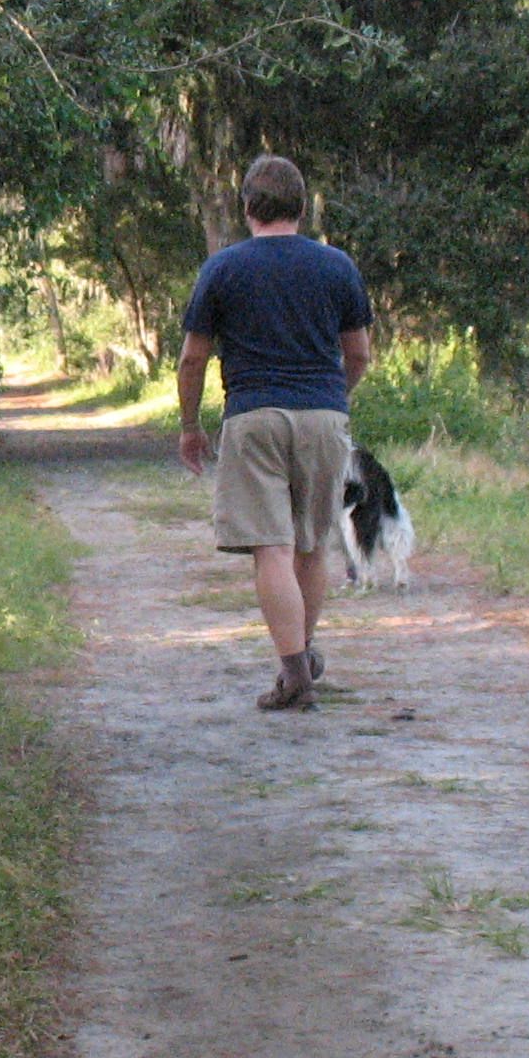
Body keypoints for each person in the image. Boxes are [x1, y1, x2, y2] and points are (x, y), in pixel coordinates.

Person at [176, 153, 373, 711]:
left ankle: (294, 675)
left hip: (254, 414)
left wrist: (190, 425)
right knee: (312, 545)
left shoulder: (223, 269)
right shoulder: (337, 267)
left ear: (246, 207)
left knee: (272, 549)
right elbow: (358, 353)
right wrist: (333, 398)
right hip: (323, 414)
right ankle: (302, 655)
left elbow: (194, 358)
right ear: (302, 206)